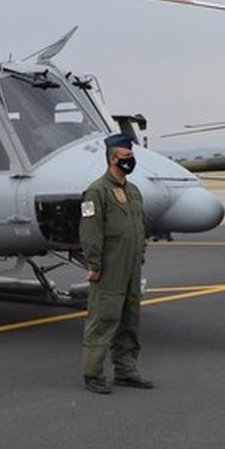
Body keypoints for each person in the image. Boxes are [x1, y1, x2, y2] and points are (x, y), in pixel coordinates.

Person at [79, 133, 152, 392]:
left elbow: (139, 226)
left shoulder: (133, 191)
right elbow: (90, 232)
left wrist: (139, 253)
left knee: (129, 320)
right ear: (112, 159)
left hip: (131, 266)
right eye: (126, 157)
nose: (130, 161)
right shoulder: (96, 191)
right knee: (104, 319)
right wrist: (94, 264)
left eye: (132, 156)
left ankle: (126, 369)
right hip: (109, 267)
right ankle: (93, 374)